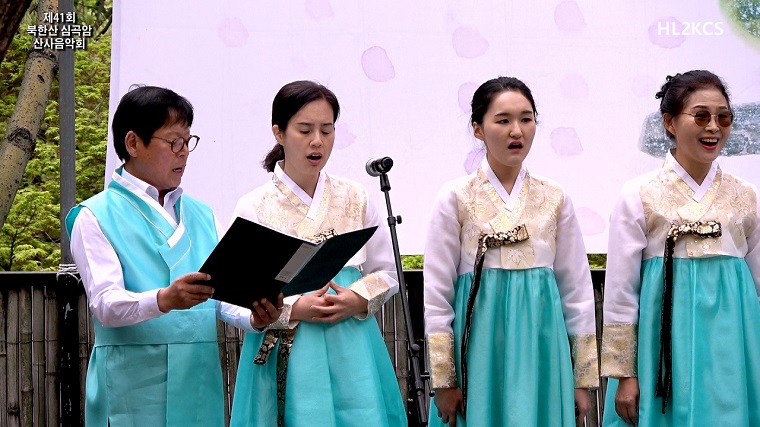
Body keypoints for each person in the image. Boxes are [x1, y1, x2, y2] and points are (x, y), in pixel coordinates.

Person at [66, 85, 282, 427]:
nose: (184, 153)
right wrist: (164, 299)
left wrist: (255, 317)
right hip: (132, 388)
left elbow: (221, 297)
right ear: (133, 143)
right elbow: (105, 305)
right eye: (173, 142)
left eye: (188, 141)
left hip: (198, 381)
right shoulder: (94, 215)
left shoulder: (201, 214)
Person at [228, 80, 407, 427]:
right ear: (279, 133)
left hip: (352, 342)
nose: (317, 141)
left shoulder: (356, 196)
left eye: (327, 130)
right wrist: (292, 309)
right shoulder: (254, 206)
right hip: (289, 349)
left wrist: (357, 299)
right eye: (305, 130)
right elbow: (232, 296)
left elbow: (388, 271)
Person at [423, 76, 599, 427]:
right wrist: (444, 380)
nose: (516, 131)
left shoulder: (554, 196)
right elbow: (437, 295)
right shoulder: (455, 196)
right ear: (478, 129)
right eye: (503, 120)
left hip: (543, 347)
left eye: (526, 119)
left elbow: (577, 292)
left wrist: (582, 379)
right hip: (479, 349)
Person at [600, 70, 760, 426]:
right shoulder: (638, 194)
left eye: (723, 118)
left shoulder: (747, 195)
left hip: (733, 349)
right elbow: (621, 295)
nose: (713, 127)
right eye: (701, 116)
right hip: (661, 353)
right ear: (669, 122)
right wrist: (625, 374)